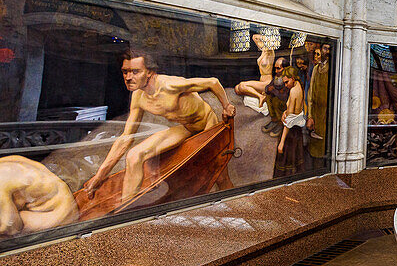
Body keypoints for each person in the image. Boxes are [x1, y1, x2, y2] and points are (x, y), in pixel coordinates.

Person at [83, 50, 235, 204]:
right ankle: (125, 208)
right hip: (187, 128)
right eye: (125, 72)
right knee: (134, 155)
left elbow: (213, 82)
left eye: (135, 72)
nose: (128, 78)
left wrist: (226, 106)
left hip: (208, 124)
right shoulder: (138, 97)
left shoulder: (170, 85)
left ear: (149, 72)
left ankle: (234, 205)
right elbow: (125, 138)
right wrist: (100, 176)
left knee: (219, 175)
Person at [0, 155, 79, 236]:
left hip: (59, 217)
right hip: (65, 209)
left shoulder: (3, 176)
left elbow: (10, 228)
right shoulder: (6, 168)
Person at [273, 67, 306, 178]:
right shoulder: (299, 86)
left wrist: (281, 142)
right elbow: (292, 110)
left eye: (287, 82)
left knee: (286, 162)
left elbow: (289, 121)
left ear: (292, 78)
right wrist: (285, 112)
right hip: (296, 130)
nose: (286, 85)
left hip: (291, 133)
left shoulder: (293, 91)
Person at [235, 33, 276, 112]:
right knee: (237, 89)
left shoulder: (270, 52)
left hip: (267, 82)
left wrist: (264, 38)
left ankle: (261, 97)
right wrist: (261, 43)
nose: (259, 43)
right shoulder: (263, 51)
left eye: (261, 41)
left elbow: (268, 42)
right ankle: (261, 95)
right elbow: (254, 37)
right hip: (261, 81)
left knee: (242, 86)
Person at [306, 43, 331, 160]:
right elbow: (310, 93)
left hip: (328, 114)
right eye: (325, 49)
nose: (327, 52)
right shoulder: (316, 69)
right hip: (316, 113)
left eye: (329, 49)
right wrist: (310, 116)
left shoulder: (332, 68)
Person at [262, 57, 289, 136]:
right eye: (275, 68)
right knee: (268, 96)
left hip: (284, 103)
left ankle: (281, 123)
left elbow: (285, 96)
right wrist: (268, 89)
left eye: (278, 68)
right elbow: (269, 86)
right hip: (277, 97)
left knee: (276, 101)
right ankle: (274, 120)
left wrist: (274, 90)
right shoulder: (276, 77)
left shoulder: (288, 79)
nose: (276, 71)